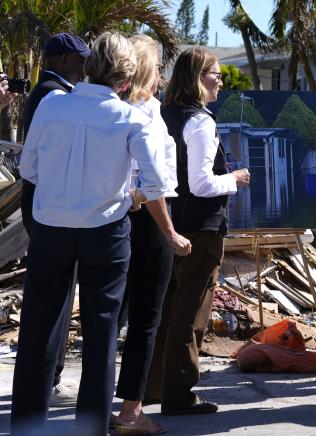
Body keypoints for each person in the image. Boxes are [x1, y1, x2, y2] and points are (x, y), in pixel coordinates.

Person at [12, 32, 168, 434]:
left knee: (37, 333)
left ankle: (27, 428)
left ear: (89, 66)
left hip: (52, 228)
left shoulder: (50, 105)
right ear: (127, 82)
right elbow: (155, 185)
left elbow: (28, 169)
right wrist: (130, 198)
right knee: (101, 337)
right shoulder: (133, 118)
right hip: (106, 231)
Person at [144, 47, 250, 415]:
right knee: (191, 314)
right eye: (214, 74)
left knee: (168, 310)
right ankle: (180, 394)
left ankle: (154, 387)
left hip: (170, 223)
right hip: (201, 229)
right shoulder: (200, 120)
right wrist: (234, 178)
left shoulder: (165, 113)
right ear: (196, 78)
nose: (220, 80)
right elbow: (202, 183)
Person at [112, 34, 192, 435]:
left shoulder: (120, 112)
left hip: (120, 219)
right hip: (148, 219)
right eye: (158, 65)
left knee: (115, 316)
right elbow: (152, 185)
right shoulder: (146, 115)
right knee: (146, 318)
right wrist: (172, 232)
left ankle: (110, 404)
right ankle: (131, 410)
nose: (162, 73)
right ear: (147, 69)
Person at [20, 32, 91, 408]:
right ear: (63, 60)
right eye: (81, 59)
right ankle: (49, 379)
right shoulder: (54, 95)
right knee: (55, 302)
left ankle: (46, 378)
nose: (85, 66)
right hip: (51, 211)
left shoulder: (46, 92)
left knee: (53, 298)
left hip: (44, 208)